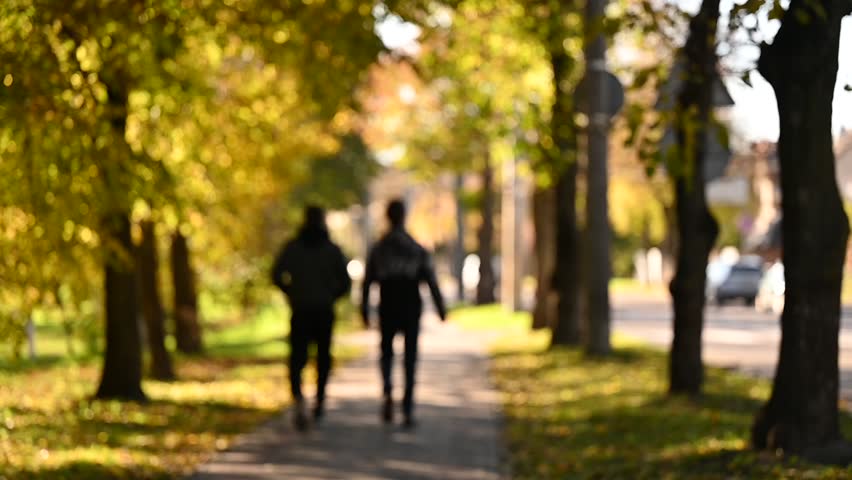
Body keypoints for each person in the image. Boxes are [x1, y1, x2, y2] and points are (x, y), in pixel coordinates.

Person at [361, 199, 447, 428]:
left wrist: (364, 310)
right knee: (410, 358)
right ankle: (407, 408)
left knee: (386, 353)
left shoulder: (379, 249)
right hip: (410, 307)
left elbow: (367, 281)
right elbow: (430, 279)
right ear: (403, 216)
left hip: (388, 305)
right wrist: (440, 308)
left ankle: (388, 390)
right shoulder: (415, 248)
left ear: (387, 217)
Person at [272, 205, 351, 432]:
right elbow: (345, 283)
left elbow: (277, 275)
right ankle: (319, 400)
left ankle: (299, 398)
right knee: (323, 357)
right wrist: (330, 296)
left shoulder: (293, 248)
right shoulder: (331, 250)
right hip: (323, 310)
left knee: (298, 357)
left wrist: (292, 292)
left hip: (301, 309)